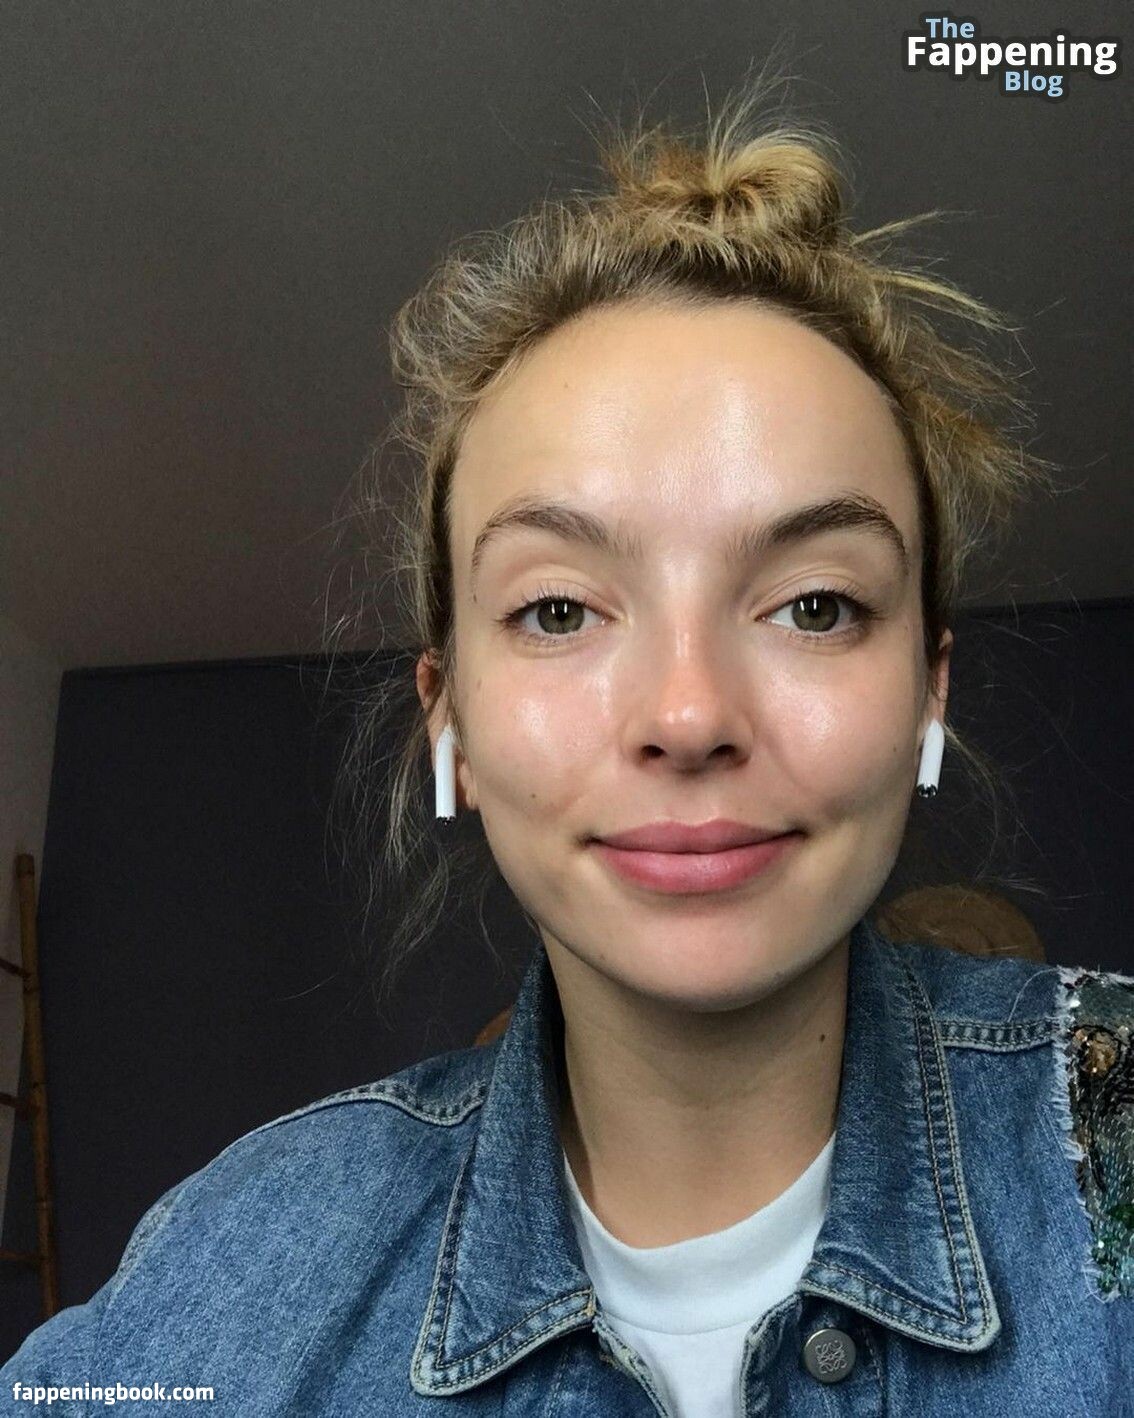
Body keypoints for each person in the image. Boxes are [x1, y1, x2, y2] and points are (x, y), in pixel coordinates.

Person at [3, 85, 1132, 1417]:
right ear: (450, 720)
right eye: (557, 610)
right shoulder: (237, 1274)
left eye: (815, 604)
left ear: (927, 692)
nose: (689, 714)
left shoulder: (1108, 1138)